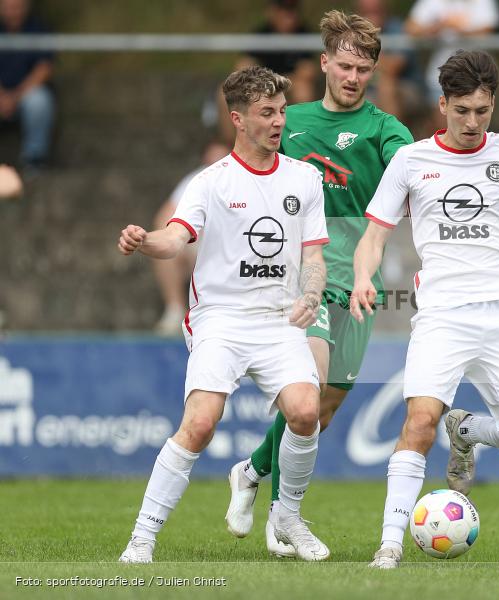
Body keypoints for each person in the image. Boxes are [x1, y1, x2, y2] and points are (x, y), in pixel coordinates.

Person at [118, 66, 331, 564]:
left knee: (304, 411)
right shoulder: (209, 183)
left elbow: (315, 256)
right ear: (238, 119)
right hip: (221, 317)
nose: (279, 122)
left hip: (280, 318)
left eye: (281, 111)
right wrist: (145, 241)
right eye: (266, 113)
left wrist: (312, 293)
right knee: (200, 423)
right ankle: (142, 539)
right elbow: (175, 238)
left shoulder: (304, 178)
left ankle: (288, 518)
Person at [350, 50, 499, 570]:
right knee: (419, 421)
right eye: (461, 110)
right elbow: (374, 234)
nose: (471, 122)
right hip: (442, 315)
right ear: (442, 105)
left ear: (493, 106)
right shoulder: (412, 161)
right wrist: (361, 278)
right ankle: (390, 544)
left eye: (482, 111)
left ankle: (468, 430)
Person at [223, 10, 413, 558]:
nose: (353, 77)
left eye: (364, 68)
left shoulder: (384, 130)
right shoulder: (293, 121)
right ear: (325, 62)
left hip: (359, 282)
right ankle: (287, 520)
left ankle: (253, 470)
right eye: (345, 65)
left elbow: (415, 173)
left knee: (323, 409)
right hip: (303, 280)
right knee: (309, 388)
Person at [152, 140, 230, 336]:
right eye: (212, 160)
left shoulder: (243, 180)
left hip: (234, 252)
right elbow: (164, 217)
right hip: (199, 248)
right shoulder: (196, 180)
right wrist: (169, 239)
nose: (216, 165)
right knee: (166, 252)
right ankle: (175, 310)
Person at [215, 0, 318, 142]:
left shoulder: (303, 34)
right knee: (224, 94)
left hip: (289, 86)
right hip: (261, 86)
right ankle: (233, 146)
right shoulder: (261, 34)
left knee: (303, 90)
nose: (288, 15)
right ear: (272, 11)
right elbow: (242, 67)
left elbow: (308, 71)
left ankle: (302, 143)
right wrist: (264, 83)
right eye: (283, 9)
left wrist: (276, 83)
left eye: (292, 9)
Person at [405, 0, 499, 133]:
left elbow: (487, 31)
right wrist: (440, 26)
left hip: (479, 78)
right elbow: (411, 29)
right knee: (445, 131)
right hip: (440, 78)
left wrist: (458, 28)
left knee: (474, 132)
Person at [0, 0, 55, 172]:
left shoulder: (39, 28)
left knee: (40, 101)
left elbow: (44, 68)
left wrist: (15, 97)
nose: (13, 12)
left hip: (25, 94)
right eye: (9, 7)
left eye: (17, 7)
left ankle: (34, 159)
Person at [355, 0, 424, 125]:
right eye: (367, 12)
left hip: (407, 88)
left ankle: (393, 140)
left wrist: (370, 40)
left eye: (375, 11)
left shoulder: (398, 29)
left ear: (384, 9)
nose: (371, 16)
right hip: (367, 89)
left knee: (386, 84)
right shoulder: (352, 32)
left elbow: (393, 68)